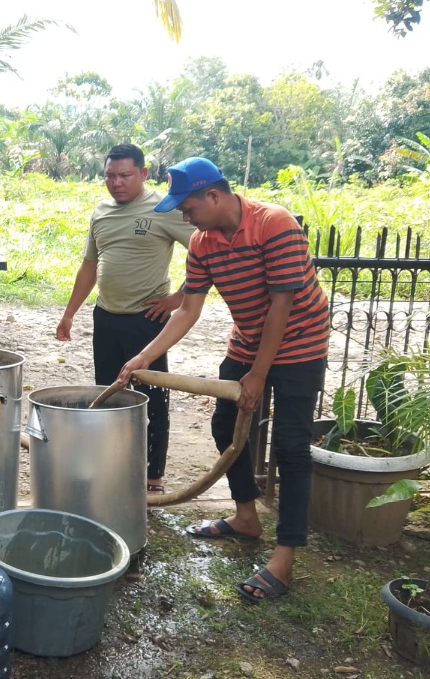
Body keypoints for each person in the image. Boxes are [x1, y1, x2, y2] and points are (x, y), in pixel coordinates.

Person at [118, 157, 330, 603]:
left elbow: (282, 306)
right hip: (249, 340)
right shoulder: (202, 242)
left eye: (188, 206)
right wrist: (143, 356)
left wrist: (258, 374)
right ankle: (245, 517)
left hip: (300, 343)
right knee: (224, 426)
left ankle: (284, 556)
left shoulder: (275, 225)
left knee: (291, 447)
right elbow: (188, 309)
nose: (184, 215)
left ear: (213, 195)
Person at [56, 144, 195, 494]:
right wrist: (69, 313)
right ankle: (112, 468)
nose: (116, 183)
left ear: (144, 174)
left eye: (125, 175)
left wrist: (178, 297)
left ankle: (152, 478)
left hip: (146, 321)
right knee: (109, 393)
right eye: (110, 176)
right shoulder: (101, 212)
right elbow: (89, 265)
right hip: (107, 318)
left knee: (153, 398)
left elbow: (206, 250)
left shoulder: (164, 208)